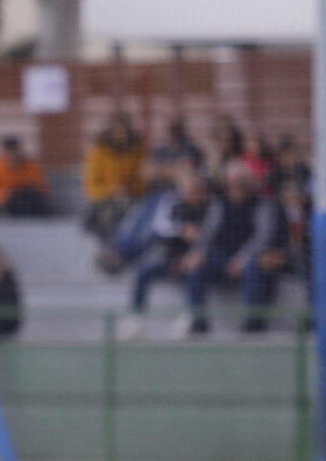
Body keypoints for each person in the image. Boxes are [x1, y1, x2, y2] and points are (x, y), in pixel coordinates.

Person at [181, 160, 287, 335]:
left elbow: (262, 236)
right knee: (195, 267)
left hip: (250, 257)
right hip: (222, 256)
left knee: (254, 266)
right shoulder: (219, 204)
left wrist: (242, 258)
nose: (236, 186)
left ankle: (253, 321)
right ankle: (199, 320)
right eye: (232, 181)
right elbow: (207, 233)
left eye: (240, 181)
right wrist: (198, 253)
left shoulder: (261, 204)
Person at [126, 169, 210, 325]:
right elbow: (159, 226)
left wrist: (194, 255)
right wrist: (181, 230)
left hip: (199, 259)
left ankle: (195, 320)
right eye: (188, 191)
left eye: (196, 191)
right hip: (173, 257)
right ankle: (135, 318)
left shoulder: (209, 208)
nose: (192, 195)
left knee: (195, 273)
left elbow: (211, 236)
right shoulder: (173, 202)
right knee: (142, 271)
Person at [83, 114, 145, 243]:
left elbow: (142, 179)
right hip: (105, 199)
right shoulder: (98, 152)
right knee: (108, 214)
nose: (121, 137)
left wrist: (130, 190)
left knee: (136, 212)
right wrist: (112, 190)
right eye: (118, 132)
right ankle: (109, 246)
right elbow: (90, 186)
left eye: (124, 133)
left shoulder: (136, 151)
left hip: (131, 197)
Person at [0, 136, 49, 216]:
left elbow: (42, 189)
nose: (12, 156)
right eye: (9, 153)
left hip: (25, 201)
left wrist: (23, 188)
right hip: (3, 202)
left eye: (14, 152)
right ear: (3, 154)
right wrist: (5, 194)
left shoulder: (31, 166)